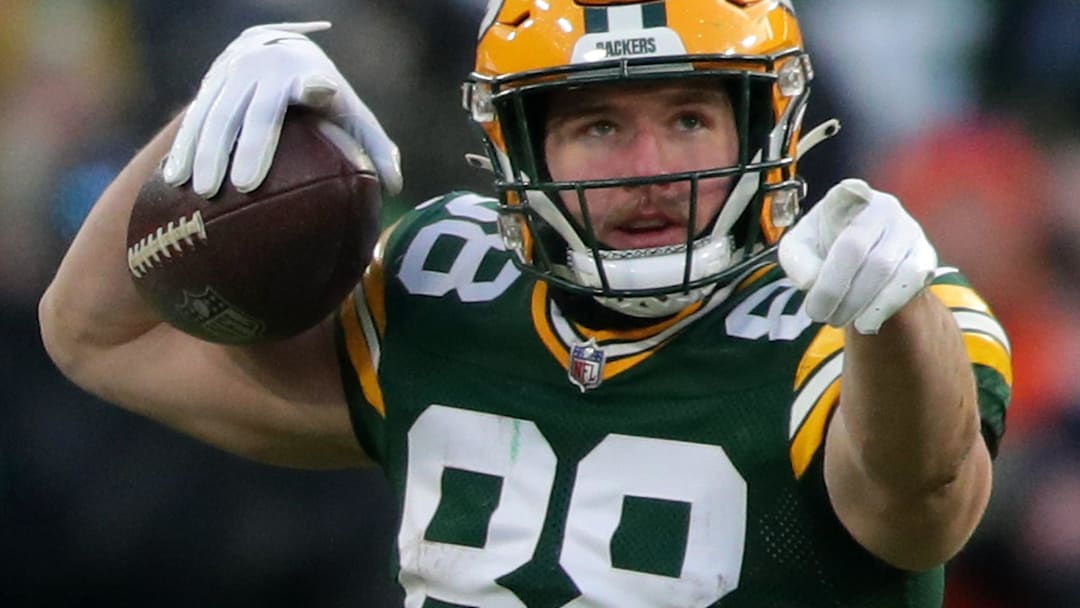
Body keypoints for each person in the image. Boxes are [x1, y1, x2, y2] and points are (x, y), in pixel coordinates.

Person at [39, 2, 1011, 606]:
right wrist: (199, 137)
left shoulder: (863, 313)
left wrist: (895, 320)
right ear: (520, 148)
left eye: (687, 117)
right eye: (598, 124)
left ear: (766, 125)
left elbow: (918, 512)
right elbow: (97, 335)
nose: (651, 171)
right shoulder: (442, 279)